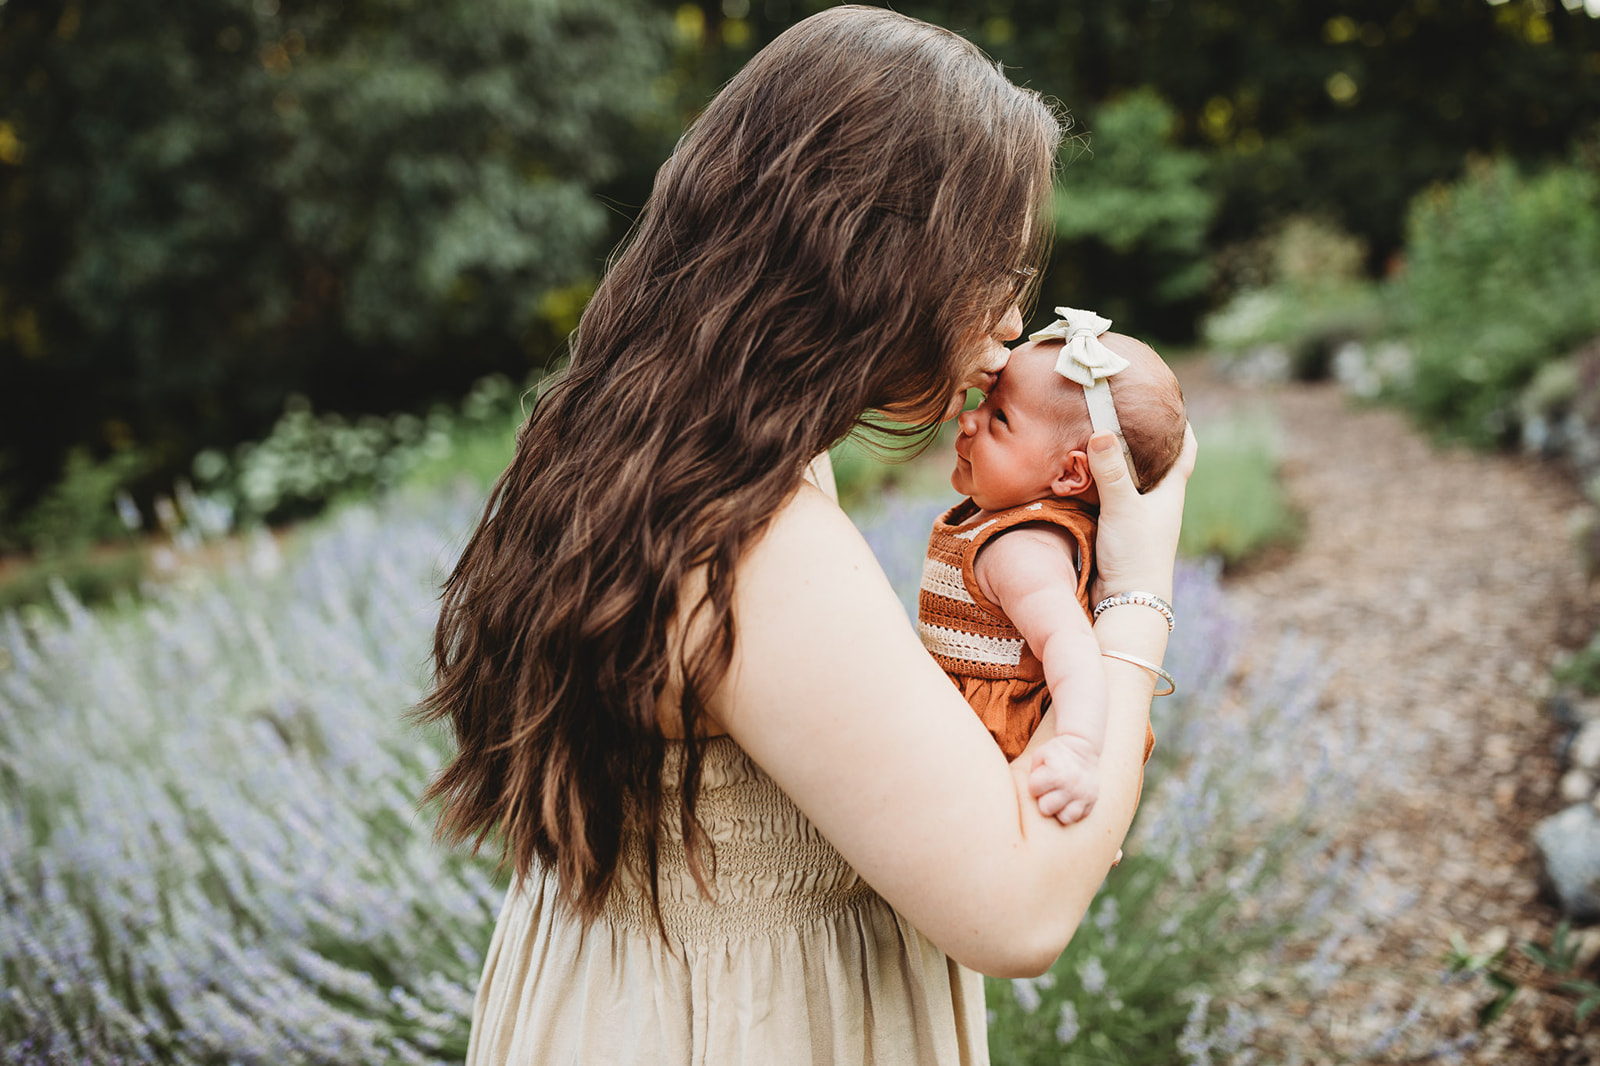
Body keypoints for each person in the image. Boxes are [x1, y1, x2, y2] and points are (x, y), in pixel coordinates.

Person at [417, 7, 1195, 1064]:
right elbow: (1019, 914)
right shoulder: (754, 540)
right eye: (996, 271)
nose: (1015, 323)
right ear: (874, 257)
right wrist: (1137, 587)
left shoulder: (636, 441)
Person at [919, 309, 1187, 829]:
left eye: (999, 419)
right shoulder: (1012, 522)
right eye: (983, 402)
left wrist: (1079, 749)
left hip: (992, 746)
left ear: (1070, 473)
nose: (968, 419)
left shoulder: (1022, 548)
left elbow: (1072, 649)